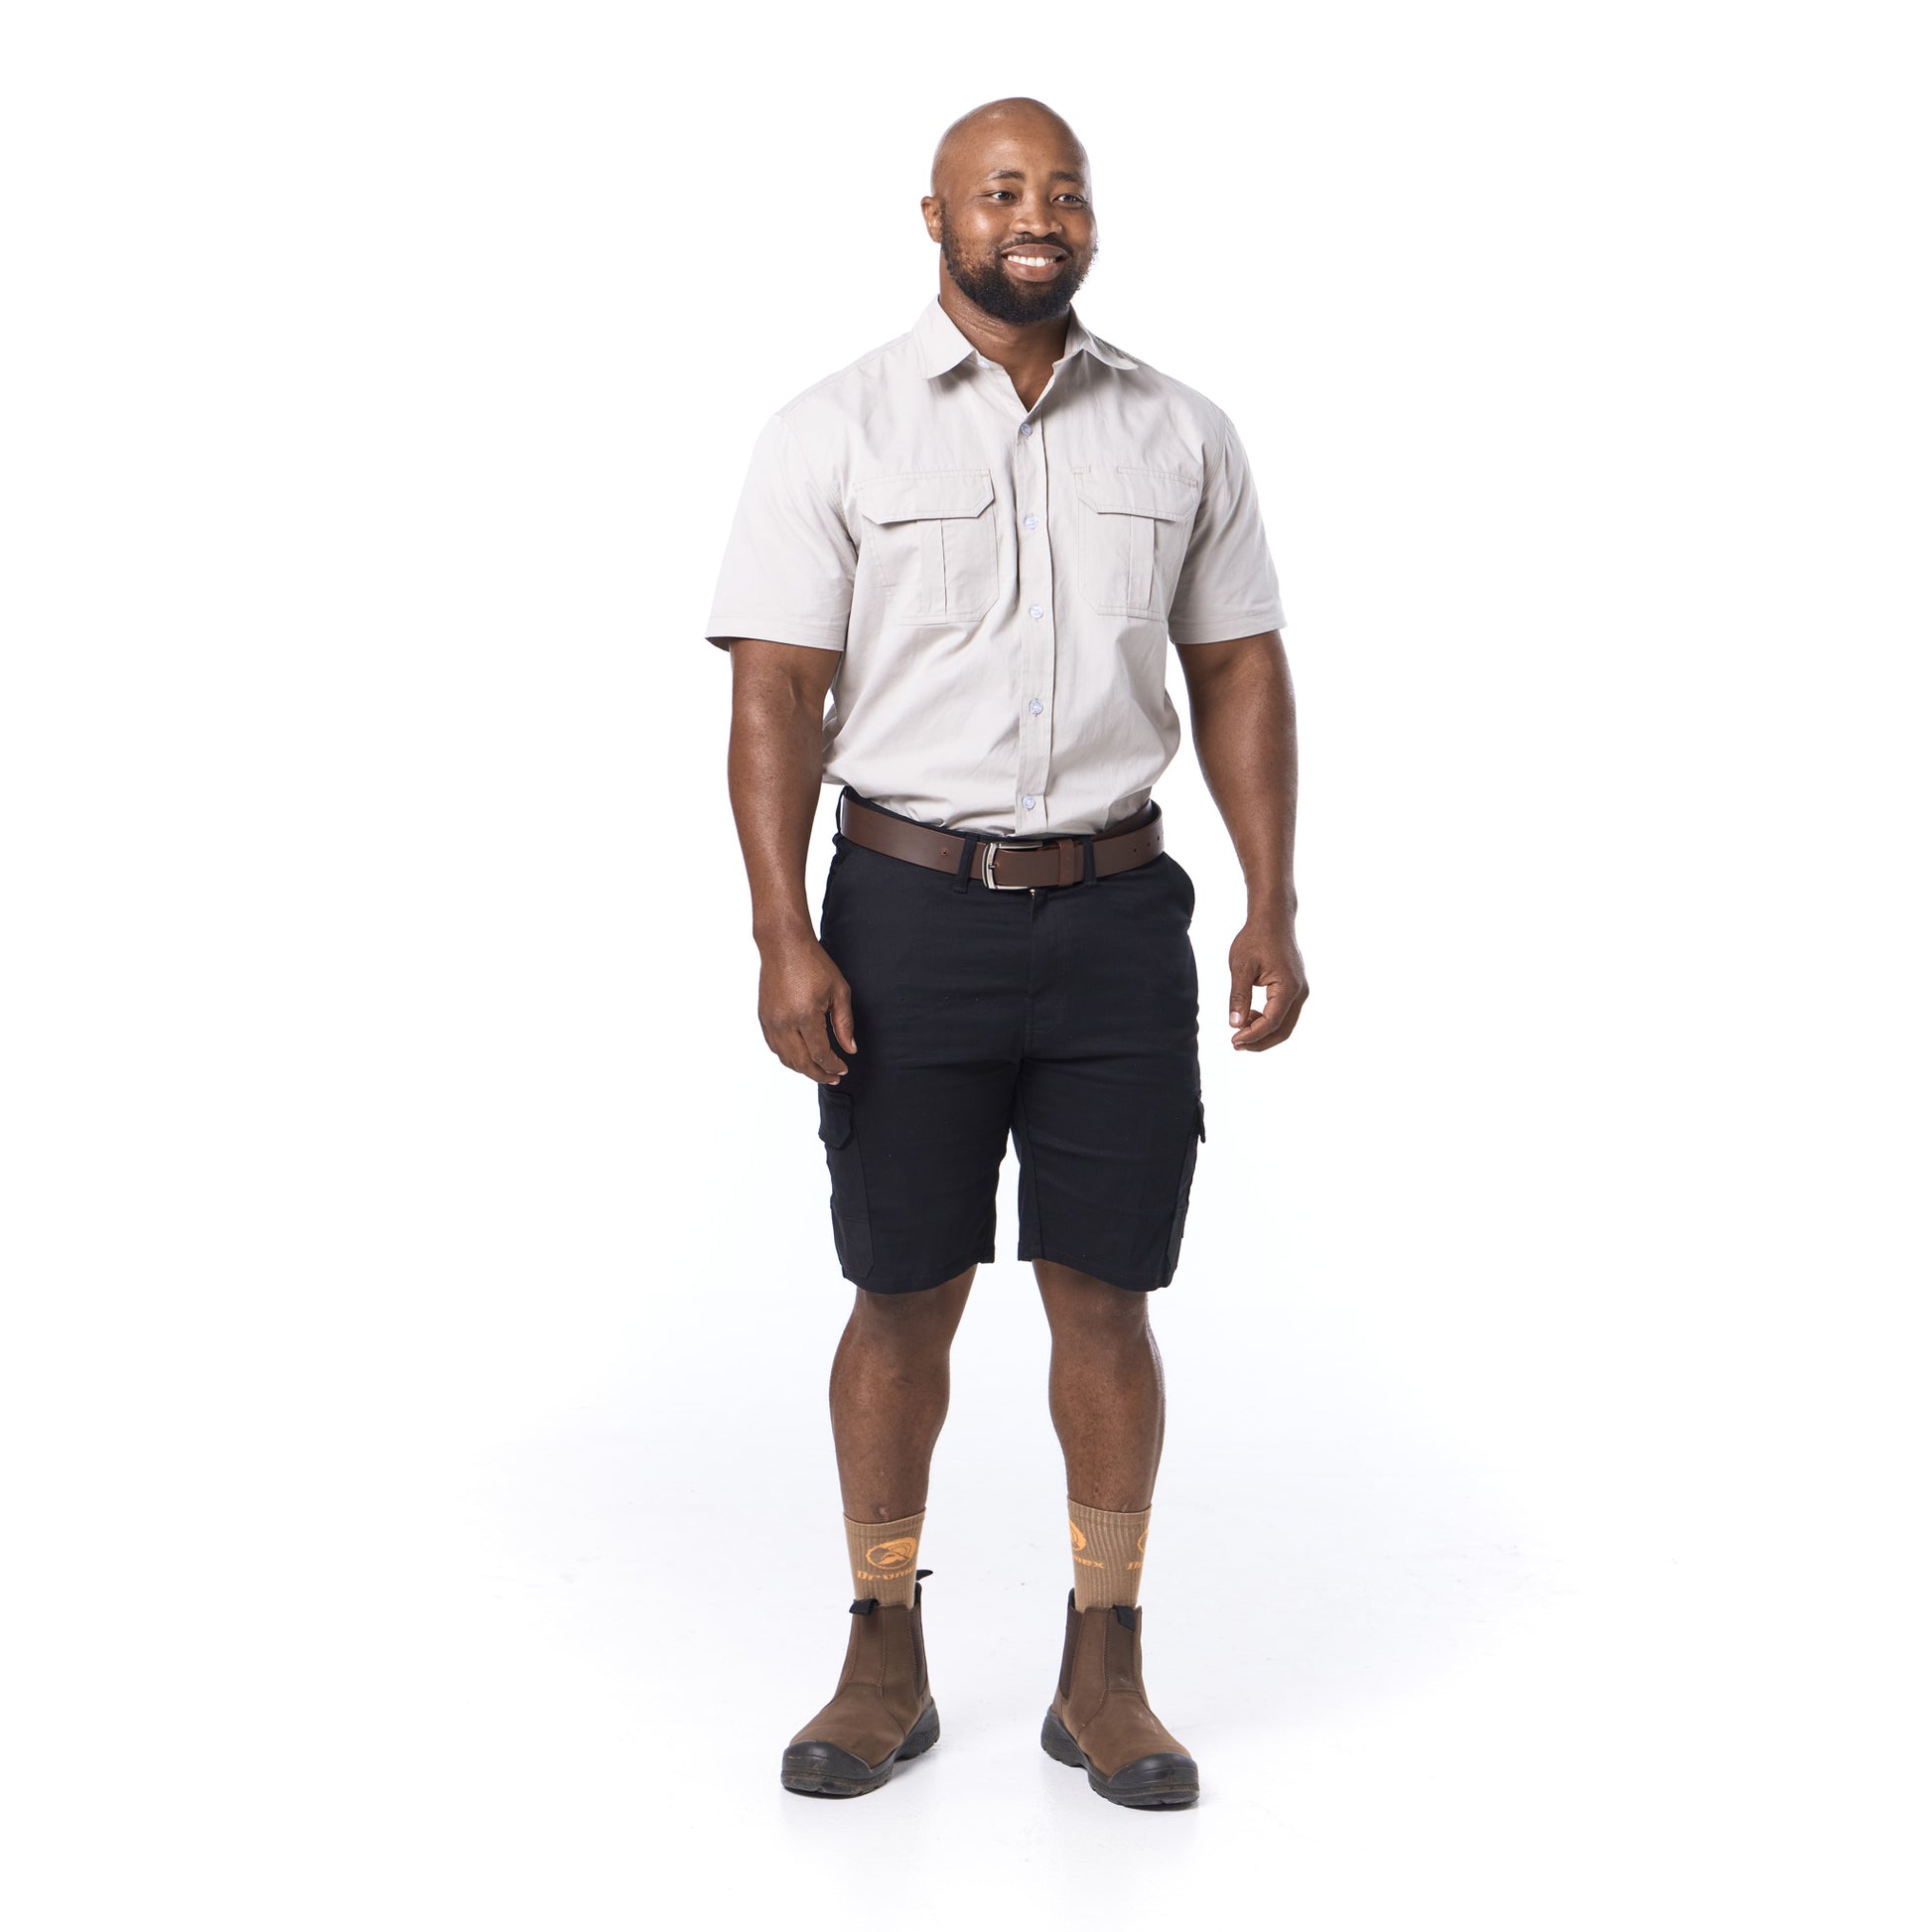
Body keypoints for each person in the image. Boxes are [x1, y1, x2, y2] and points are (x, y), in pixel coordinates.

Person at [703, 96, 1308, 1809]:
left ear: (1089, 220)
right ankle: (879, 1641)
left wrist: (1271, 898)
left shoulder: (1179, 431)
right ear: (935, 219)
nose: (1031, 215)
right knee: (901, 1292)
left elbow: (1240, 671)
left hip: (1120, 914)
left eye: (1059, 191)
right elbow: (770, 695)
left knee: (1103, 1293)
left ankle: (1103, 1660)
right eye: (997, 191)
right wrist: (781, 931)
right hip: (902, 914)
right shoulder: (832, 431)